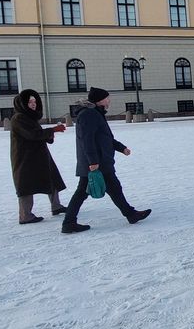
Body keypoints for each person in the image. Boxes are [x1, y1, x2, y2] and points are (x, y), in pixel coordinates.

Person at [61, 87, 151, 233]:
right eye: (107, 98)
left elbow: (105, 137)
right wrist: (93, 161)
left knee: (113, 188)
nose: (109, 100)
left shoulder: (95, 113)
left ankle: (131, 214)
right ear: (99, 100)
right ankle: (69, 223)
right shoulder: (89, 114)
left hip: (99, 161)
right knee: (83, 192)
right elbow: (87, 140)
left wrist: (121, 148)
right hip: (96, 162)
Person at [9, 89, 68, 224]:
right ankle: (25, 216)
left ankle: (56, 206)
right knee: (26, 184)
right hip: (25, 158)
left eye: (34, 101)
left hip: (39, 155)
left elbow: (38, 134)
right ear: (22, 103)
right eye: (30, 102)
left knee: (51, 177)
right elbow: (32, 135)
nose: (33, 104)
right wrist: (52, 130)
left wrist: (51, 133)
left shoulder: (29, 117)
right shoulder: (19, 118)